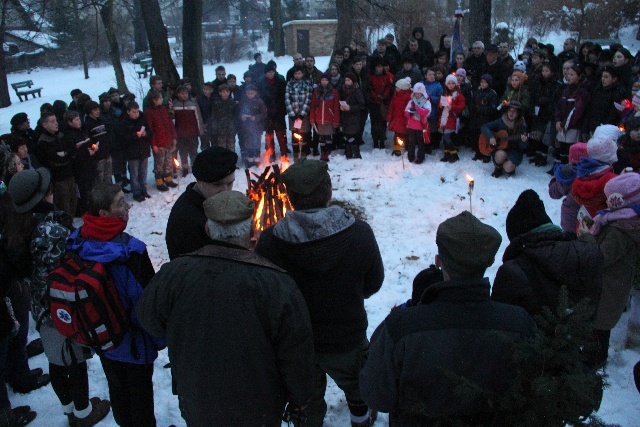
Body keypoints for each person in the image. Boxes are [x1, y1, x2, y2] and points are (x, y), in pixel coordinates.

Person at [138, 190, 314, 426]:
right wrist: (301, 398)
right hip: (259, 405)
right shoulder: (277, 284)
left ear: (208, 230)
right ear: (252, 232)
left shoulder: (174, 274)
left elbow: (149, 321)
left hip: (197, 395)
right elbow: (296, 352)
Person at [360, 211, 535, 425]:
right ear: (490, 261)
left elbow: (377, 395)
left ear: (438, 261)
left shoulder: (402, 328)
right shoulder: (518, 324)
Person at [255, 159, 384, 427]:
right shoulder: (359, 234)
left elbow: (265, 297)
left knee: (306, 392)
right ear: (328, 191)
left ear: (289, 198)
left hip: (296, 340)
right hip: (345, 336)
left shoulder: (269, 242)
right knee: (356, 382)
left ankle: (309, 421)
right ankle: (360, 417)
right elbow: (373, 283)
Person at [5, 168, 111, 427]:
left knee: (56, 358)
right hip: (62, 308)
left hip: (39, 306)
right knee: (74, 361)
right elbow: (68, 269)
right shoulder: (50, 231)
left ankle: (68, 408)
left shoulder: (17, 225)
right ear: (43, 196)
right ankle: (84, 413)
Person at [67, 184, 162, 427]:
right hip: (133, 342)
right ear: (103, 214)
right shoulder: (131, 252)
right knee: (141, 400)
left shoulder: (78, 240)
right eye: (120, 203)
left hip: (102, 336)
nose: (127, 206)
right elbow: (147, 305)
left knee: (118, 390)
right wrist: (159, 339)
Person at [492, 189, 602, 317]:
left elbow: (501, 324)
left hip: (533, 335)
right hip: (580, 335)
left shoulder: (512, 272)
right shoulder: (585, 252)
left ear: (518, 237)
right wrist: (587, 240)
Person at [581, 172, 640, 367]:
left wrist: (587, 237)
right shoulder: (624, 221)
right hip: (612, 285)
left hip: (609, 288)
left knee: (599, 327)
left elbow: (601, 257)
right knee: (599, 326)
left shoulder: (620, 230)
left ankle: (594, 360)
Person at [165, 147, 237, 260]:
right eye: (217, 184)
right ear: (200, 182)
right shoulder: (187, 219)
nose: (226, 191)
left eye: (230, 183)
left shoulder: (211, 201)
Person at [37, 111, 77, 217]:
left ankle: (70, 222)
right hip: (58, 177)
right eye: (52, 121)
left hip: (69, 172)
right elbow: (53, 159)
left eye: (56, 121)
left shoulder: (60, 135)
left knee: (73, 200)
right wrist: (64, 155)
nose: (56, 123)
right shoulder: (43, 141)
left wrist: (65, 154)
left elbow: (70, 150)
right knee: (64, 203)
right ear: (45, 125)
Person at [481, 101, 529, 177]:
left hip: (514, 150)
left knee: (508, 169)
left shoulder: (522, 125)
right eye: (510, 110)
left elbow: (523, 147)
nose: (511, 113)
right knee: (500, 155)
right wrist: (491, 137)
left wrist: (524, 141)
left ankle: (509, 165)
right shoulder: (501, 121)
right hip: (501, 148)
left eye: (514, 111)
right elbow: (484, 126)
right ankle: (498, 168)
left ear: (518, 113)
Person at [144, 90, 178, 191]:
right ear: (154, 100)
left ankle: (168, 179)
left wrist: (174, 137)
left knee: (168, 161)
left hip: (167, 140)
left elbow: (170, 124)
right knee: (159, 163)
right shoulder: (149, 112)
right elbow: (150, 129)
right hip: (159, 142)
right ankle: (159, 181)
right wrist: (153, 144)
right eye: (160, 98)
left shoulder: (163, 109)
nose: (162, 100)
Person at [120, 102, 151, 202]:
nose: (136, 114)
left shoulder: (142, 120)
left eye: (137, 111)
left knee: (143, 172)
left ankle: (143, 189)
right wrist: (134, 136)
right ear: (128, 112)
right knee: (134, 174)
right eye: (134, 112)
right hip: (132, 153)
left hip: (143, 150)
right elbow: (123, 138)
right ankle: (136, 192)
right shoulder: (124, 123)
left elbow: (150, 132)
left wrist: (145, 134)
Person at [259, 63, 289, 159]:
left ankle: (284, 153)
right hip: (267, 113)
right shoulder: (261, 83)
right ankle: (270, 154)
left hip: (279, 111)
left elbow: (283, 96)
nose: (270, 74)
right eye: (268, 72)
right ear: (265, 73)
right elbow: (261, 97)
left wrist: (280, 108)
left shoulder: (280, 81)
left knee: (281, 135)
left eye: (272, 72)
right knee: (269, 135)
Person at [173, 85, 204, 177]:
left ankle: (194, 166)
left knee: (193, 150)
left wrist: (200, 130)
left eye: (186, 93)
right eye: (182, 93)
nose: (184, 95)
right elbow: (173, 120)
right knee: (183, 151)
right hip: (180, 133)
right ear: (178, 94)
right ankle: (185, 167)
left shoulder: (193, 104)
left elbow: (198, 118)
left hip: (192, 132)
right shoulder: (175, 104)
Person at [310, 72, 340, 162]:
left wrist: (336, 120)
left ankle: (328, 151)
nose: (324, 82)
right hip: (319, 118)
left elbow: (336, 107)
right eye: (322, 80)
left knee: (328, 137)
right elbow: (313, 106)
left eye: (326, 80)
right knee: (321, 137)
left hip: (329, 118)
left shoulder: (334, 92)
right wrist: (312, 118)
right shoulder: (316, 92)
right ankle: (323, 151)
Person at [285, 65, 313, 160]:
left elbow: (308, 99)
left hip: (303, 115)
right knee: (295, 134)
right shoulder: (290, 84)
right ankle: (296, 154)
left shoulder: (307, 84)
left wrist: (302, 114)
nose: (298, 75)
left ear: (302, 74)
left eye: (299, 73)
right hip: (293, 114)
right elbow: (287, 99)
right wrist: (292, 114)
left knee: (304, 134)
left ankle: (304, 153)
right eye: (296, 74)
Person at [438, 75, 466, 162]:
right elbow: (440, 105)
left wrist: (452, 107)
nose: (450, 85)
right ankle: (447, 153)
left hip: (452, 118)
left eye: (452, 83)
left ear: (455, 84)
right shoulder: (444, 94)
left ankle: (454, 154)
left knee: (446, 136)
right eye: (449, 83)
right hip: (444, 118)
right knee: (444, 136)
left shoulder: (458, 95)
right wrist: (440, 105)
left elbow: (461, 106)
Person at [238, 84, 267, 168]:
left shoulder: (260, 102)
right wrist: (242, 117)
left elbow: (264, 114)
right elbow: (238, 113)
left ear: (255, 93)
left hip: (257, 127)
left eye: (252, 93)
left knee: (256, 143)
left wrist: (256, 118)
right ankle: (250, 161)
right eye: (248, 93)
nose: (250, 95)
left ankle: (257, 160)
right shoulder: (243, 101)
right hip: (246, 127)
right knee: (248, 144)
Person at [339, 72, 366, 159]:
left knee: (352, 136)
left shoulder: (357, 91)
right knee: (347, 135)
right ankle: (349, 152)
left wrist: (350, 107)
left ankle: (355, 152)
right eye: (346, 80)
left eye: (349, 80)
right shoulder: (343, 90)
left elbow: (362, 105)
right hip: (345, 117)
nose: (347, 82)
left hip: (354, 117)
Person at [368, 57, 393, 149]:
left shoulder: (386, 76)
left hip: (383, 102)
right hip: (373, 102)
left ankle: (382, 140)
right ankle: (375, 141)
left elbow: (388, 87)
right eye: (378, 66)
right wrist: (374, 95)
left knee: (383, 122)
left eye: (381, 66)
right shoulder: (370, 76)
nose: (379, 68)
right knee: (374, 123)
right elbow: (369, 88)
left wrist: (384, 96)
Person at [403, 82, 431, 163]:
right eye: (416, 93)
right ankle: (410, 156)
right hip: (412, 125)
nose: (417, 95)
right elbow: (406, 111)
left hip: (421, 126)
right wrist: (409, 113)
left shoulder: (426, 102)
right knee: (411, 142)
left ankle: (420, 157)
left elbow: (427, 112)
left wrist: (418, 109)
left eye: (419, 93)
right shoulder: (411, 102)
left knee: (420, 142)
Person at [387, 77, 412, 156]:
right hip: (396, 119)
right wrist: (390, 116)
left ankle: (407, 147)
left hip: (404, 119)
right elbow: (392, 106)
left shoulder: (408, 96)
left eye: (397, 87)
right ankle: (397, 149)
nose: (396, 88)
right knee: (397, 135)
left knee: (406, 135)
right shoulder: (395, 95)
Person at [210, 84, 238, 153]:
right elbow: (214, 117)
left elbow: (236, 116)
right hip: (220, 130)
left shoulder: (233, 103)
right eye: (223, 92)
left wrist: (236, 127)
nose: (225, 94)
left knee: (231, 147)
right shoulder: (216, 103)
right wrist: (215, 128)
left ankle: (231, 162)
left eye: (227, 92)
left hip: (231, 129)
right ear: (220, 93)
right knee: (222, 148)